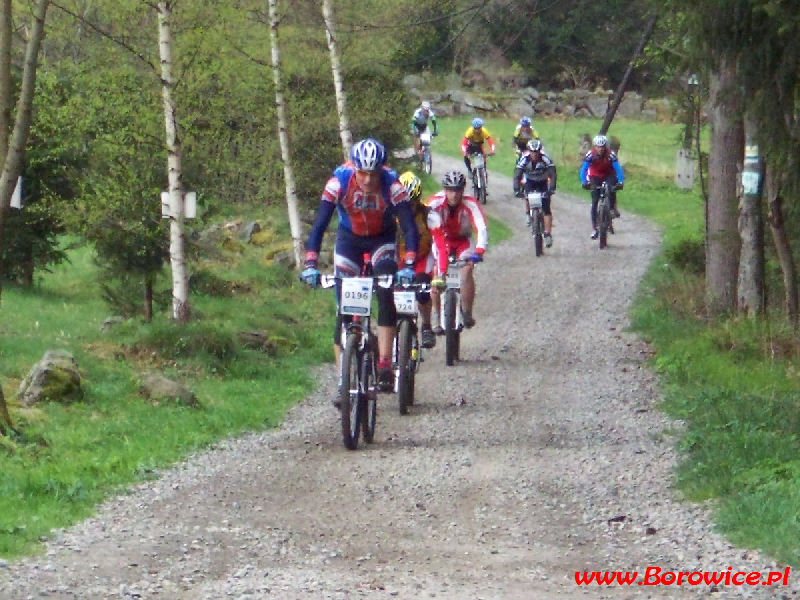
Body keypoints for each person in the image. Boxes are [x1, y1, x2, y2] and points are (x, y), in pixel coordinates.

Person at [301, 138, 419, 393]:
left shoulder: (393, 185)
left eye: (373, 174)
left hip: (382, 239)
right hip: (349, 241)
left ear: (381, 170)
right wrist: (311, 262)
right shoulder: (338, 182)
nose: (367, 180)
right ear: (354, 168)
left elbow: (409, 226)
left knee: (386, 289)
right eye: (362, 173)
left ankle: (386, 365)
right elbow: (320, 225)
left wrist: (408, 263)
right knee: (343, 308)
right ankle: (343, 381)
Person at [426, 170, 488, 331]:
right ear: (444, 190)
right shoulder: (435, 203)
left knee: (466, 271)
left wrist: (479, 251)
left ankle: (467, 311)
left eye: (458, 190)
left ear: (463, 190)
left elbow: (481, 227)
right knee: (436, 272)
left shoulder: (470, 203)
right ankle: (436, 316)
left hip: (463, 241)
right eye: (450, 190)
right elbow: (423, 222)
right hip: (442, 241)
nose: (454, 194)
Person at [397, 171, 437, 349]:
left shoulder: (428, 213)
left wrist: (439, 270)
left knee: (422, 290)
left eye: (413, 204)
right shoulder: (391, 215)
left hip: (422, 256)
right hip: (399, 257)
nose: (409, 209)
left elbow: (438, 242)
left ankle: (426, 325)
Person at [579, 134, 625, 240]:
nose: (600, 149)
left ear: (606, 146)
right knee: (595, 201)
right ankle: (595, 229)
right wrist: (584, 181)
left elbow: (618, 169)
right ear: (595, 146)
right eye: (598, 147)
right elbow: (584, 169)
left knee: (611, 187)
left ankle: (612, 208)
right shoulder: (590, 155)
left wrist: (621, 181)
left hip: (609, 175)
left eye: (602, 146)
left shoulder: (611, 155)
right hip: (595, 176)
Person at [513, 138, 557, 247]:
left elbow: (553, 174)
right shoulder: (524, 159)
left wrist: (551, 188)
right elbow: (517, 175)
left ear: (540, 151)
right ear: (529, 151)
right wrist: (516, 189)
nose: (535, 154)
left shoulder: (545, 159)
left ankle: (547, 234)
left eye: (537, 152)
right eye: (533, 152)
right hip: (530, 182)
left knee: (546, 208)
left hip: (542, 182)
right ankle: (528, 214)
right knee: (527, 195)